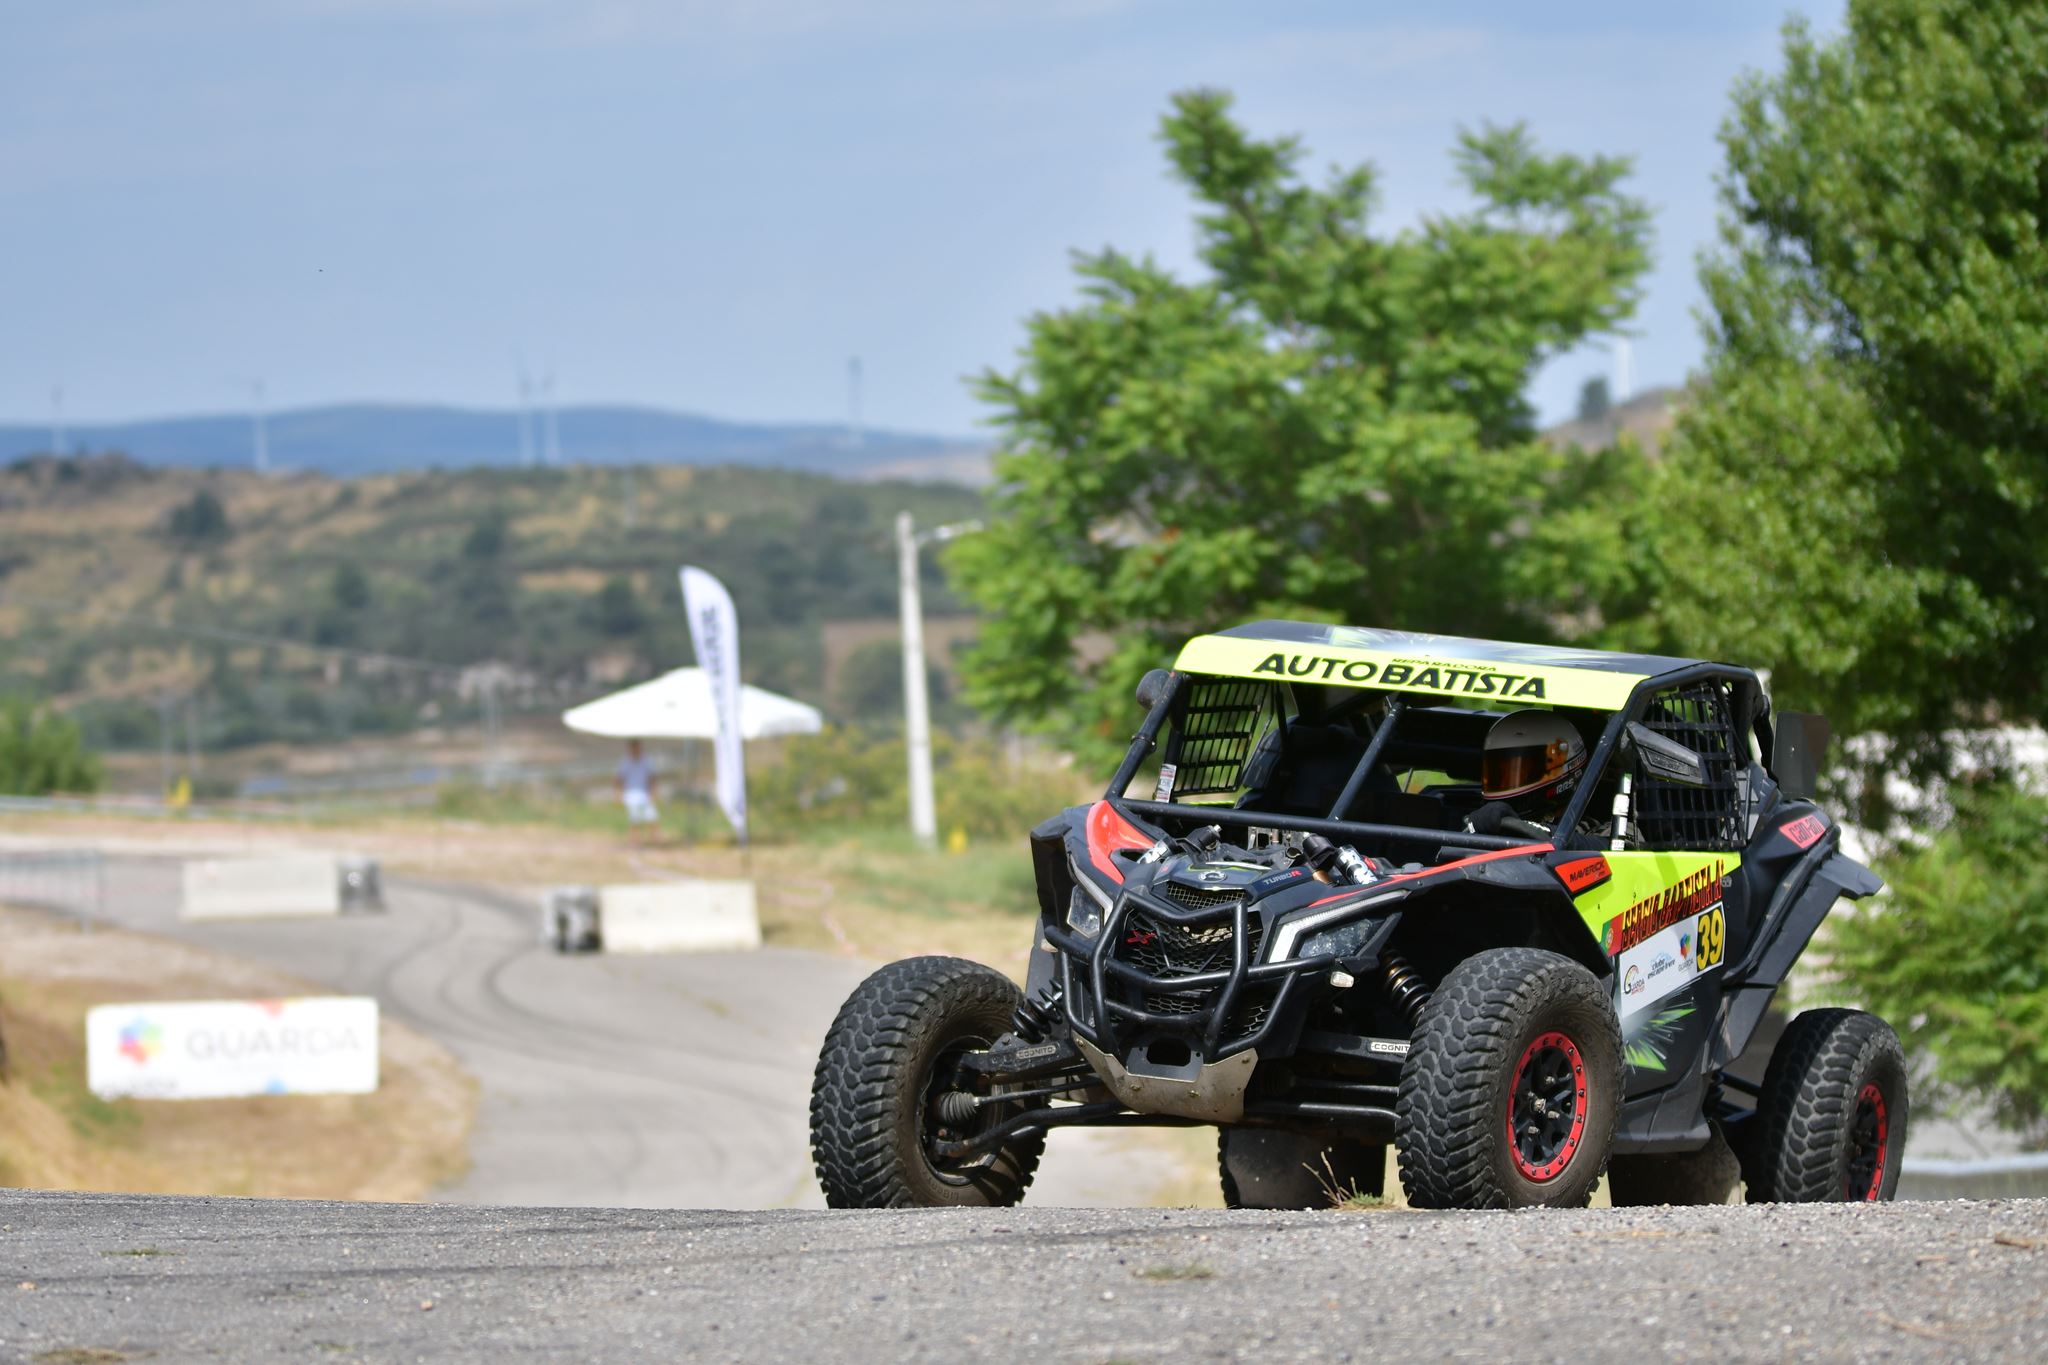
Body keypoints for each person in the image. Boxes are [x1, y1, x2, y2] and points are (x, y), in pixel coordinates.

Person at [1463, 710, 1588, 838]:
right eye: (1498, 774)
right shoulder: (1484, 824)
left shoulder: (1590, 831)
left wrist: (1528, 829)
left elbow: (1590, 845)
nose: (1506, 780)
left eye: (1518, 771)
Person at [616, 739, 659, 843]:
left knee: (651, 815)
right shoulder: (625, 762)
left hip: (644, 792)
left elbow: (652, 777)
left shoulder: (646, 761)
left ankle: (655, 839)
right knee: (634, 817)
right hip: (631, 792)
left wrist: (653, 792)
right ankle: (635, 839)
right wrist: (618, 793)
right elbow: (619, 779)